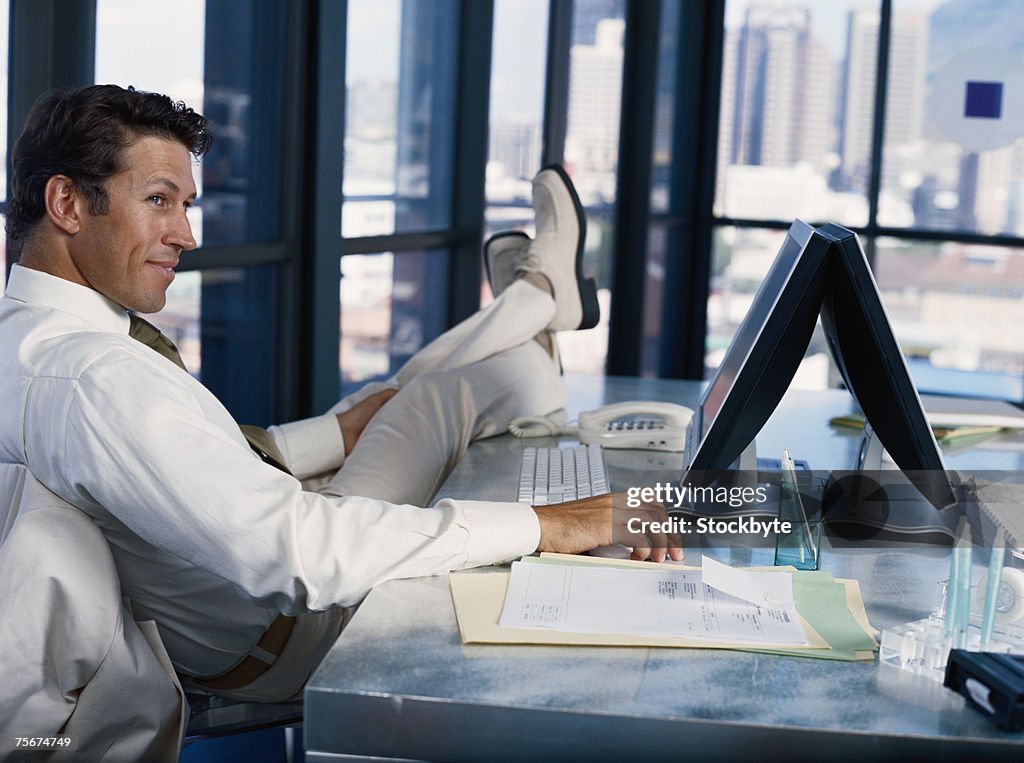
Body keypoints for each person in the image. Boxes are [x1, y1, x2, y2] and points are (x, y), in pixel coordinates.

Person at [0, 84, 680, 702]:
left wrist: (330, 437)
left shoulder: (28, 339)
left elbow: (183, 475)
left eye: (184, 204)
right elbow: (301, 551)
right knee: (453, 395)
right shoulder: (93, 378)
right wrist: (552, 523)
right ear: (66, 203)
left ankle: (537, 307)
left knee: (408, 400)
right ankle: (536, 310)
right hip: (297, 626)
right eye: (158, 200)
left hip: (256, 590)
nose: (186, 235)